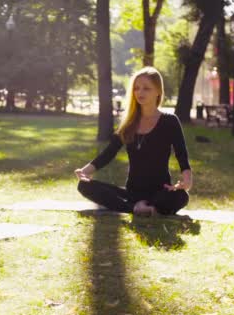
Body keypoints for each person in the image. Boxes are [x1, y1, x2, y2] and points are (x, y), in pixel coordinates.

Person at [75, 67, 192, 216]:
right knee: (84, 186)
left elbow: (182, 155)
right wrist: (85, 171)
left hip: (160, 192)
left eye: (146, 88)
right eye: (136, 88)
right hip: (132, 193)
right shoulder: (129, 122)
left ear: (158, 91)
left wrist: (187, 180)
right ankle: (137, 208)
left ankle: (146, 207)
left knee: (181, 197)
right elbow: (109, 153)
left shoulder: (170, 121)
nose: (140, 92)